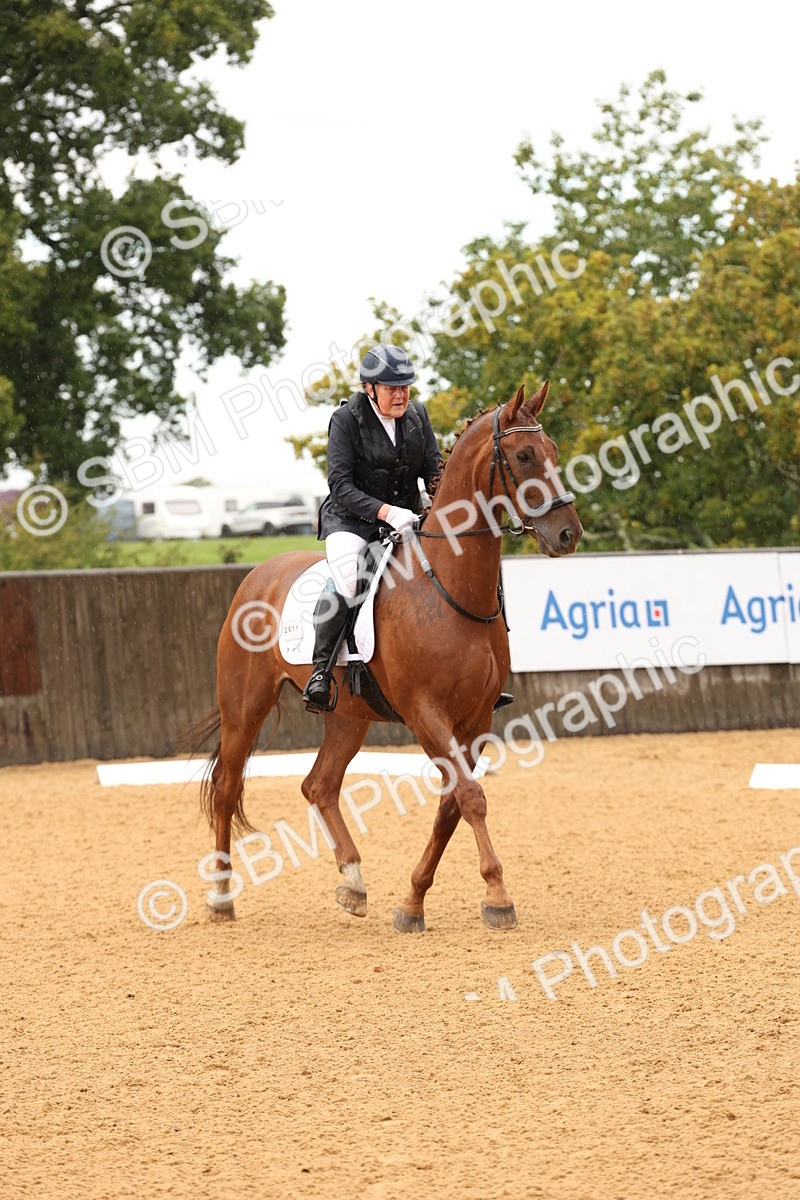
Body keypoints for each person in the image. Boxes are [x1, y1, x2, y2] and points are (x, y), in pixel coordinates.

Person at [302, 344, 443, 711]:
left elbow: (434, 472)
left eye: (405, 387)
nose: (400, 394)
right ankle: (322, 671)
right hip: (352, 521)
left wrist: (442, 500)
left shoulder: (418, 416)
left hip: (408, 519)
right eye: (391, 387)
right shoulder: (346, 420)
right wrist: (386, 512)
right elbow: (341, 486)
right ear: (370, 388)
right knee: (349, 578)